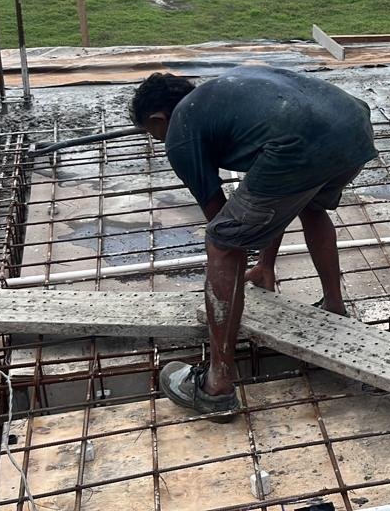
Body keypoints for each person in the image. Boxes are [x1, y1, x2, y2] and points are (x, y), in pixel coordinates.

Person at [131, 68, 376, 419]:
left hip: (302, 141)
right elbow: (272, 199)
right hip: (352, 126)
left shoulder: (180, 131)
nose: (158, 141)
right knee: (309, 204)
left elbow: (226, 225)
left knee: (221, 242)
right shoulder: (224, 99)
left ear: (158, 118)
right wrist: (265, 264)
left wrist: (237, 247)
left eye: (152, 133)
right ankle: (334, 305)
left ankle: (216, 386)